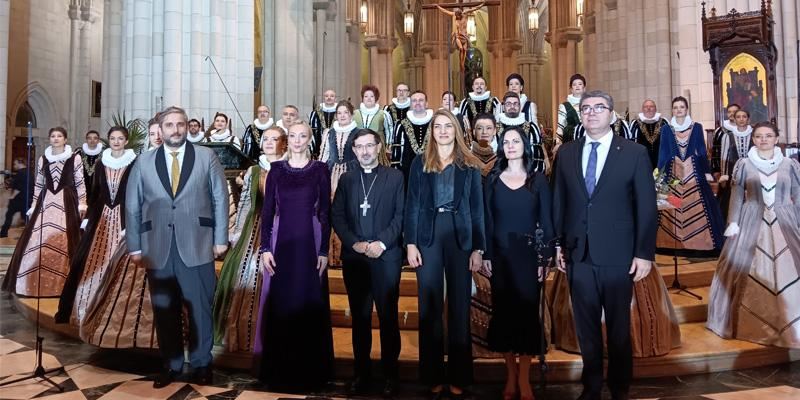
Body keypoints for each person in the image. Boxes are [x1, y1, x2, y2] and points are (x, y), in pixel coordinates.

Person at [552, 90, 657, 400]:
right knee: (585, 326)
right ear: (580, 115)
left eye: (599, 107)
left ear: (612, 114)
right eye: (586, 108)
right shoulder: (567, 153)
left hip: (618, 254)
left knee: (618, 326)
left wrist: (644, 253)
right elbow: (559, 202)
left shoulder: (634, 152)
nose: (592, 113)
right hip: (578, 253)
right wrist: (557, 244)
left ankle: (620, 386)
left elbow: (646, 207)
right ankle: (592, 384)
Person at [125, 106, 229, 388]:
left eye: (180, 124)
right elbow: (133, 204)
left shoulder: (206, 156)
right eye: (169, 125)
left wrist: (221, 238)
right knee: (164, 309)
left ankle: (201, 364)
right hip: (156, 247)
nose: (175, 130)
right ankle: (171, 365)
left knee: (199, 309)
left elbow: (220, 197)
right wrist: (134, 245)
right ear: (161, 128)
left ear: (186, 126)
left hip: (197, 244)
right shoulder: (144, 161)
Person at [404, 109, 485, 398]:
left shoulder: (470, 165)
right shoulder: (419, 163)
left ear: (456, 131)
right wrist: (410, 243)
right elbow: (412, 204)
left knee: (460, 305)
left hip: (460, 235)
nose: (442, 131)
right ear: (431, 132)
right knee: (430, 304)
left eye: (447, 126)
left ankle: (460, 374)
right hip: (428, 234)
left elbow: (477, 209)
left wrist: (478, 247)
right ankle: (432, 375)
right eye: (437, 126)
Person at [706, 122, 800, 349]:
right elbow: (737, 197)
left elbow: (797, 196)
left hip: (785, 220)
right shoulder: (744, 164)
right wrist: (733, 223)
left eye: (769, 136)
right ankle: (752, 322)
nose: (764, 140)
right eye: (759, 136)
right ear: (753, 139)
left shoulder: (790, 164)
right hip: (751, 217)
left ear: (777, 138)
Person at [258, 121, 333, 392]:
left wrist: (324, 250)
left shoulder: (320, 170)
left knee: (309, 301)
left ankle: (311, 372)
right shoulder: (276, 170)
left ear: (310, 139)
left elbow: (325, 213)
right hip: (282, 246)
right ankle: (279, 371)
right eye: (293, 136)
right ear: (286, 139)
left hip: (310, 244)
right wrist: (265, 248)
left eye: (303, 136)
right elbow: (267, 214)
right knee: (283, 302)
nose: (298, 140)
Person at [331, 129, 405, 397]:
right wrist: (355, 244)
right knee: (360, 319)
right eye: (359, 147)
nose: (364, 151)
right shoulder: (347, 179)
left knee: (388, 318)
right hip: (356, 258)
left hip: (386, 258)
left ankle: (391, 376)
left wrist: (381, 244)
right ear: (353, 150)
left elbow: (401, 214)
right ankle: (361, 375)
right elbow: (337, 215)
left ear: (379, 147)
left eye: (369, 146)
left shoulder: (395, 176)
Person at [483, 127, 553, 400]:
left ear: (525, 145)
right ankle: (509, 377)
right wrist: (486, 254)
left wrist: (543, 256)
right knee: (504, 316)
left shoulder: (538, 180)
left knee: (525, 316)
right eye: (506, 142)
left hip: (527, 257)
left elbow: (546, 221)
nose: (510, 145)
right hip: (499, 257)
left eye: (515, 141)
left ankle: (524, 379)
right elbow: (487, 221)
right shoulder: (492, 179)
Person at [213, 125, 286, 354]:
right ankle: (241, 333)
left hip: (280, 228)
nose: (268, 142)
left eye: (274, 139)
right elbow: (245, 204)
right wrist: (236, 232)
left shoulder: (288, 168)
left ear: (283, 143)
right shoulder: (254, 170)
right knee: (242, 273)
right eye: (265, 139)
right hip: (253, 229)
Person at [56, 126, 138, 327]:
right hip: (101, 219)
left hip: (125, 218)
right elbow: (95, 192)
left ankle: (117, 313)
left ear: (126, 141)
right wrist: (89, 216)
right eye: (113, 138)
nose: (116, 142)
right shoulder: (102, 163)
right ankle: (85, 307)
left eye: (120, 138)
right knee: (89, 261)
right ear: (108, 140)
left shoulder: (135, 163)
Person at [2, 127, 87, 297]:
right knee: (38, 239)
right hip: (45, 202)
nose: (56, 139)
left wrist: (82, 203)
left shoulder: (74, 158)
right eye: (53, 136)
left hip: (66, 201)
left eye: (59, 136)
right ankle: (32, 284)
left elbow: (80, 182)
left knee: (63, 237)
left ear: (65, 139)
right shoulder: (43, 159)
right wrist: (34, 204)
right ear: (49, 139)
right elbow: (39, 184)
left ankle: (63, 284)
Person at [656, 96, 724, 253]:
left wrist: (706, 172)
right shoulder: (666, 129)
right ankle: (670, 241)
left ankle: (697, 241)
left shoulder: (696, 127)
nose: (678, 110)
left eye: (681, 107)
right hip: (672, 173)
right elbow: (663, 152)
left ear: (686, 109)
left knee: (696, 203)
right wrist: (658, 175)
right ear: (672, 110)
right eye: (675, 107)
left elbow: (701, 151)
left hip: (693, 171)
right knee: (671, 203)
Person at [320, 100, 364, 267]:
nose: (342, 116)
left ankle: (349, 253)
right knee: (332, 212)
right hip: (331, 175)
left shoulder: (359, 132)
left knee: (350, 212)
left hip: (352, 174)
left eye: (345, 112)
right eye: (339, 113)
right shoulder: (328, 132)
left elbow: (362, 154)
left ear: (351, 114)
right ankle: (331, 254)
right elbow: (324, 155)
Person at [717, 109, 754, 221]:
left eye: (744, 116)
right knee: (731, 201)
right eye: (738, 117)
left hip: (751, 172)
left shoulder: (754, 134)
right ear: (734, 119)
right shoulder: (728, 136)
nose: (741, 119)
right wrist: (723, 176)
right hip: (733, 173)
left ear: (748, 119)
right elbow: (724, 157)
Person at [496, 92, 546, 173]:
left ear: (520, 107)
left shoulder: (531, 127)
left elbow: (537, 156)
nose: (512, 106)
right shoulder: (494, 128)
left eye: (516, 104)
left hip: (527, 175)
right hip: (500, 174)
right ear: (503, 107)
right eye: (508, 104)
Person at [391, 90, 433, 185]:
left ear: (426, 104)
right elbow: (396, 153)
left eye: (421, 100)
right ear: (410, 104)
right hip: (407, 174)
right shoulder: (400, 125)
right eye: (414, 100)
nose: (417, 103)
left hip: (432, 170)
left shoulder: (435, 123)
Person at [628, 100, 671, 169]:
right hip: (641, 162)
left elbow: (670, 142)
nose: (648, 108)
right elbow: (630, 144)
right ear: (642, 109)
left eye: (651, 106)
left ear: (655, 109)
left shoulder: (664, 123)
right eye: (646, 106)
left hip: (661, 162)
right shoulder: (635, 124)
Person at [0, 158, 35, 238]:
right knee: (25, 217)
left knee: (9, 215)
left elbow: (16, 186)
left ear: (20, 163)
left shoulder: (21, 173)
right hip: (27, 199)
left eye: (15, 164)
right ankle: (30, 234)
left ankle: (3, 233)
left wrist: (12, 196)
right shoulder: (30, 173)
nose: (14, 166)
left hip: (19, 200)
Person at [554, 74, 585, 153]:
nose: (577, 86)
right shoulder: (564, 106)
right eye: (574, 84)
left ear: (584, 88)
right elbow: (560, 127)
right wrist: (558, 143)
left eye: (580, 84)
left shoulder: (590, 104)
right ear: (571, 88)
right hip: (571, 144)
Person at [711, 104, 740, 176]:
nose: (732, 114)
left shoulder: (744, 129)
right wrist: (716, 170)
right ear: (727, 114)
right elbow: (715, 150)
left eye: (735, 111)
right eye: (729, 112)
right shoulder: (720, 130)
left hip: (741, 166)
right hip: (724, 166)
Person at [310, 90, 338, 158]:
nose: (329, 97)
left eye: (332, 96)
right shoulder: (316, 112)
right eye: (326, 96)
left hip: (336, 146)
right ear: (324, 98)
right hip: (318, 146)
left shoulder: (339, 112)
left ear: (335, 99)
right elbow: (311, 130)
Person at [79, 130, 104, 199]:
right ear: (86, 140)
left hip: (99, 186)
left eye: (95, 138)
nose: (92, 140)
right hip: (81, 186)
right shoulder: (79, 152)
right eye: (89, 138)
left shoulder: (104, 153)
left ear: (98, 140)